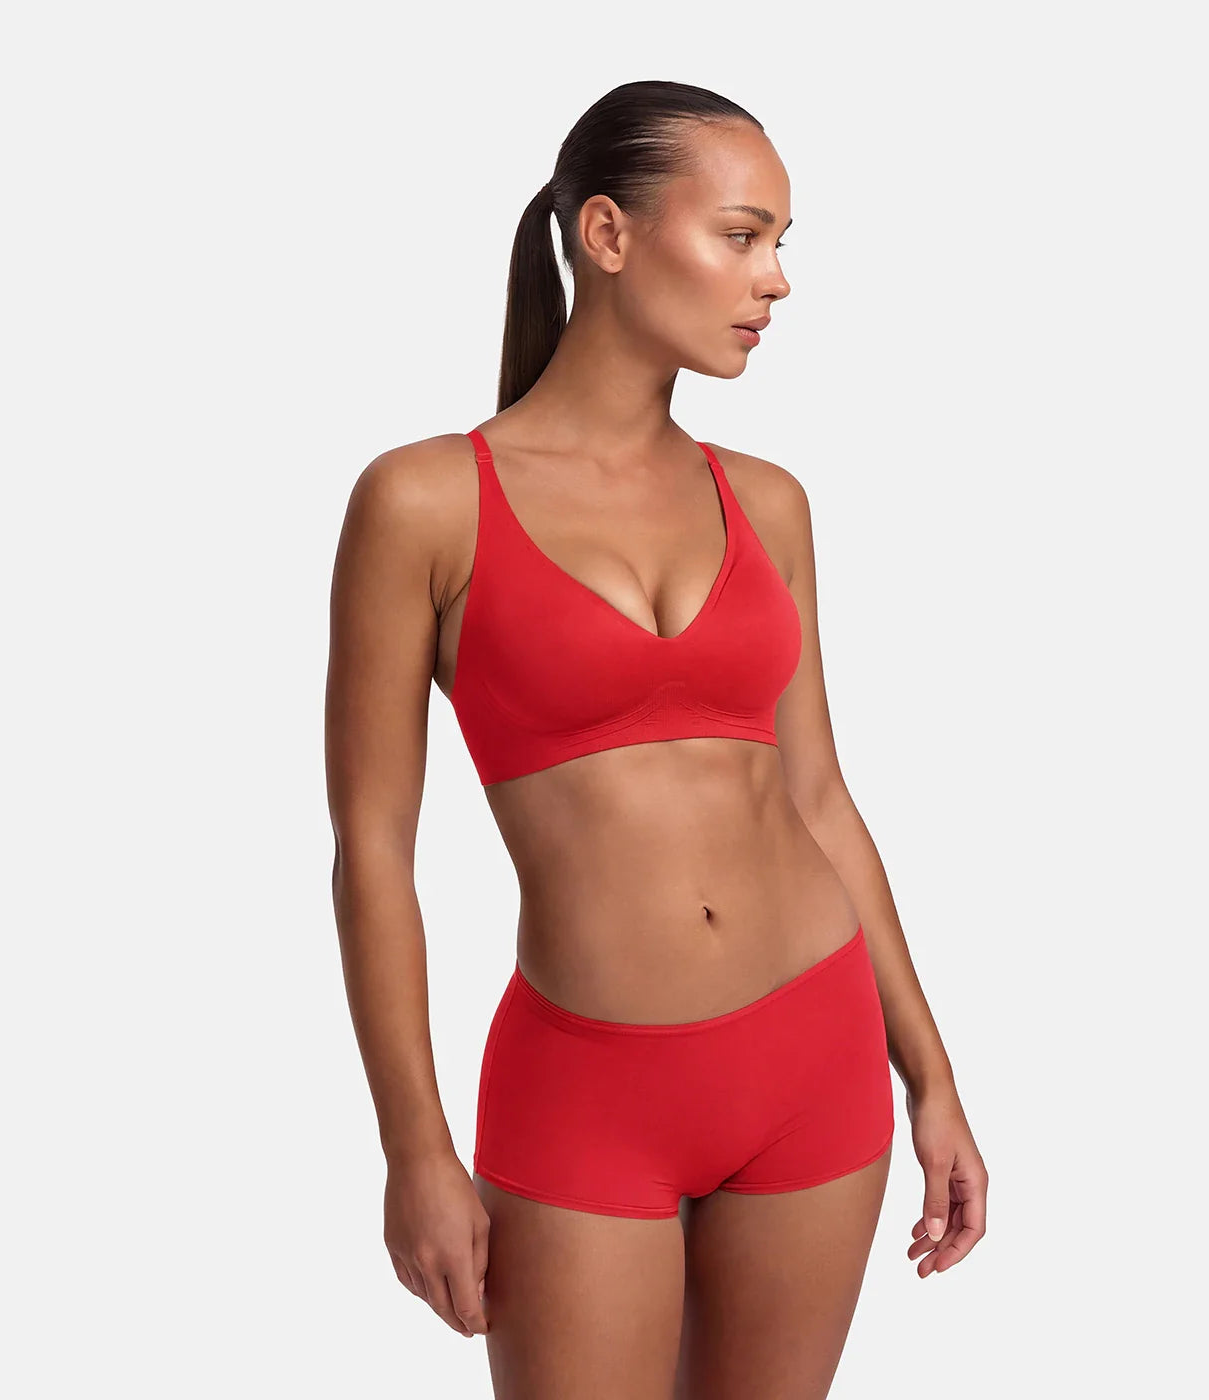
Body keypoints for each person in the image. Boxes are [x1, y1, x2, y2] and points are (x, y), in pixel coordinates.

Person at [325, 79, 988, 1399]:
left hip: (814, 1060)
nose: (776, 279)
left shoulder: (769, 503)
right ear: (608, 234)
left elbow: (820, 800)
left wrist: (933, 1075)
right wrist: (414, 1146)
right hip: (587, 1086)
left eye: (782, 243)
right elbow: (374, 850)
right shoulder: (424, 502)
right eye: (742, 236)